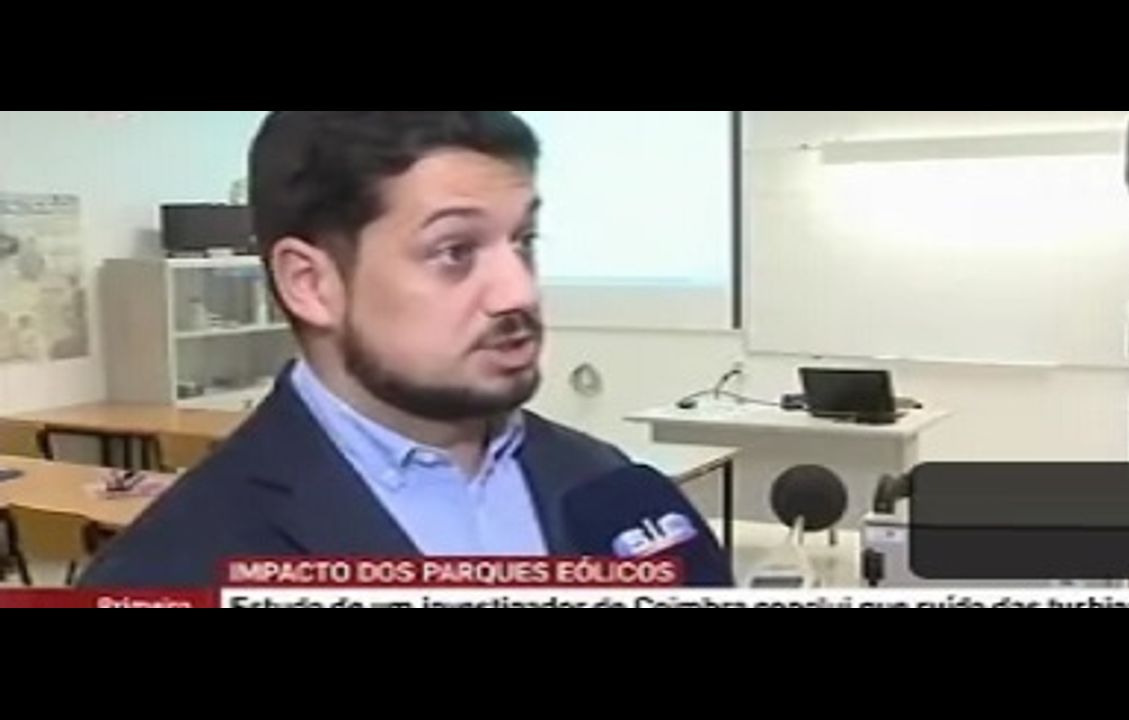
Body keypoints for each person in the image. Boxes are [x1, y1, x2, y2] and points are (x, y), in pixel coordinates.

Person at [79, 112, 730, 587]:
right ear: (312, 284)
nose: (518, 290)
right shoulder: (174, 567)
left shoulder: (604, 485)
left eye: (523, 241)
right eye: (455, 251)